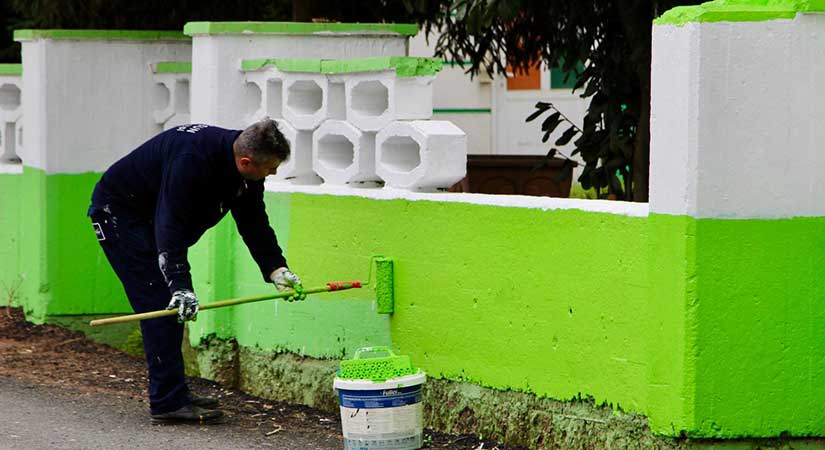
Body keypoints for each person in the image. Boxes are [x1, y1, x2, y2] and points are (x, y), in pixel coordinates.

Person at [87, 120, 305, 424]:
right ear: (246, 162)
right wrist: (180, 285)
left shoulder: (243, 169)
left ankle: (173, 392)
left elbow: (253, 221)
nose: (274, 172)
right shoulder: (190, 163)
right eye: (270, 168)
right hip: (120, 215)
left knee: (168, 305)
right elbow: (170, 225)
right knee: (161, 303)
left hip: (152, 215)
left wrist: (275, 268)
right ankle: (167, 402)